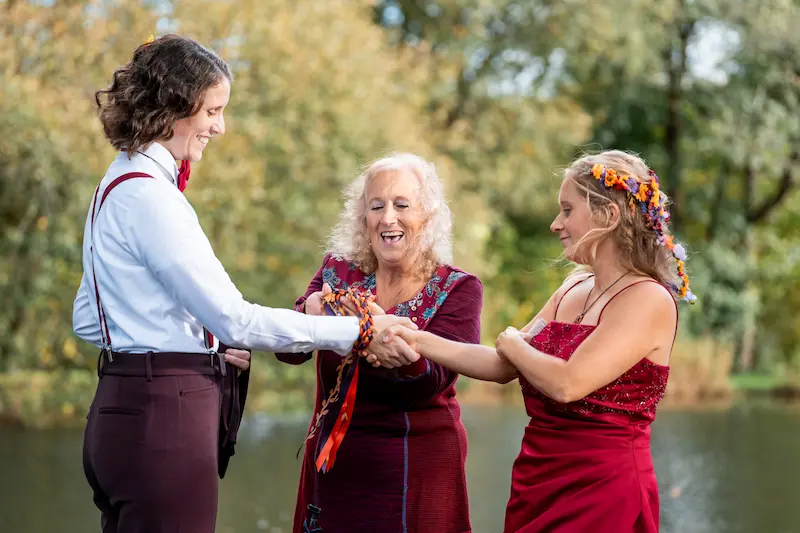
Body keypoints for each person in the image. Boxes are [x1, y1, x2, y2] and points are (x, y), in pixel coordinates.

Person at [72, 34, 416, 533]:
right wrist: (356, 332)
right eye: (212, 110)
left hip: (115, 416)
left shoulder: (114, 184)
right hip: (162, 421)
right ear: (175, 106)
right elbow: (236, 318)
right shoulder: (152, 199)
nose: (220, 125)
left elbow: (88, 316)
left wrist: (206, 344)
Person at [384, 150, 695, 533]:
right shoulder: (573, 287)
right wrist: (412, 335)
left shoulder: (648, 299)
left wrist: (514, 343)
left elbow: (566, 383)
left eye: (567, 210)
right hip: (538, 481)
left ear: (608, 217)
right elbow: (500, 367)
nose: (555, 224)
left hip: (604, 489)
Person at [276, 153, 483, 533]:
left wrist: (362, 332)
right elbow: (289, 350)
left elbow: (429, 381)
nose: (388, 217)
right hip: (333, 465)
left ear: (428, 216)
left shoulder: (460, 288)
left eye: (402, 205)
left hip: (415, 469)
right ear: (363, 219)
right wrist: (311, 312)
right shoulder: (337, 269)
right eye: (377, 206)